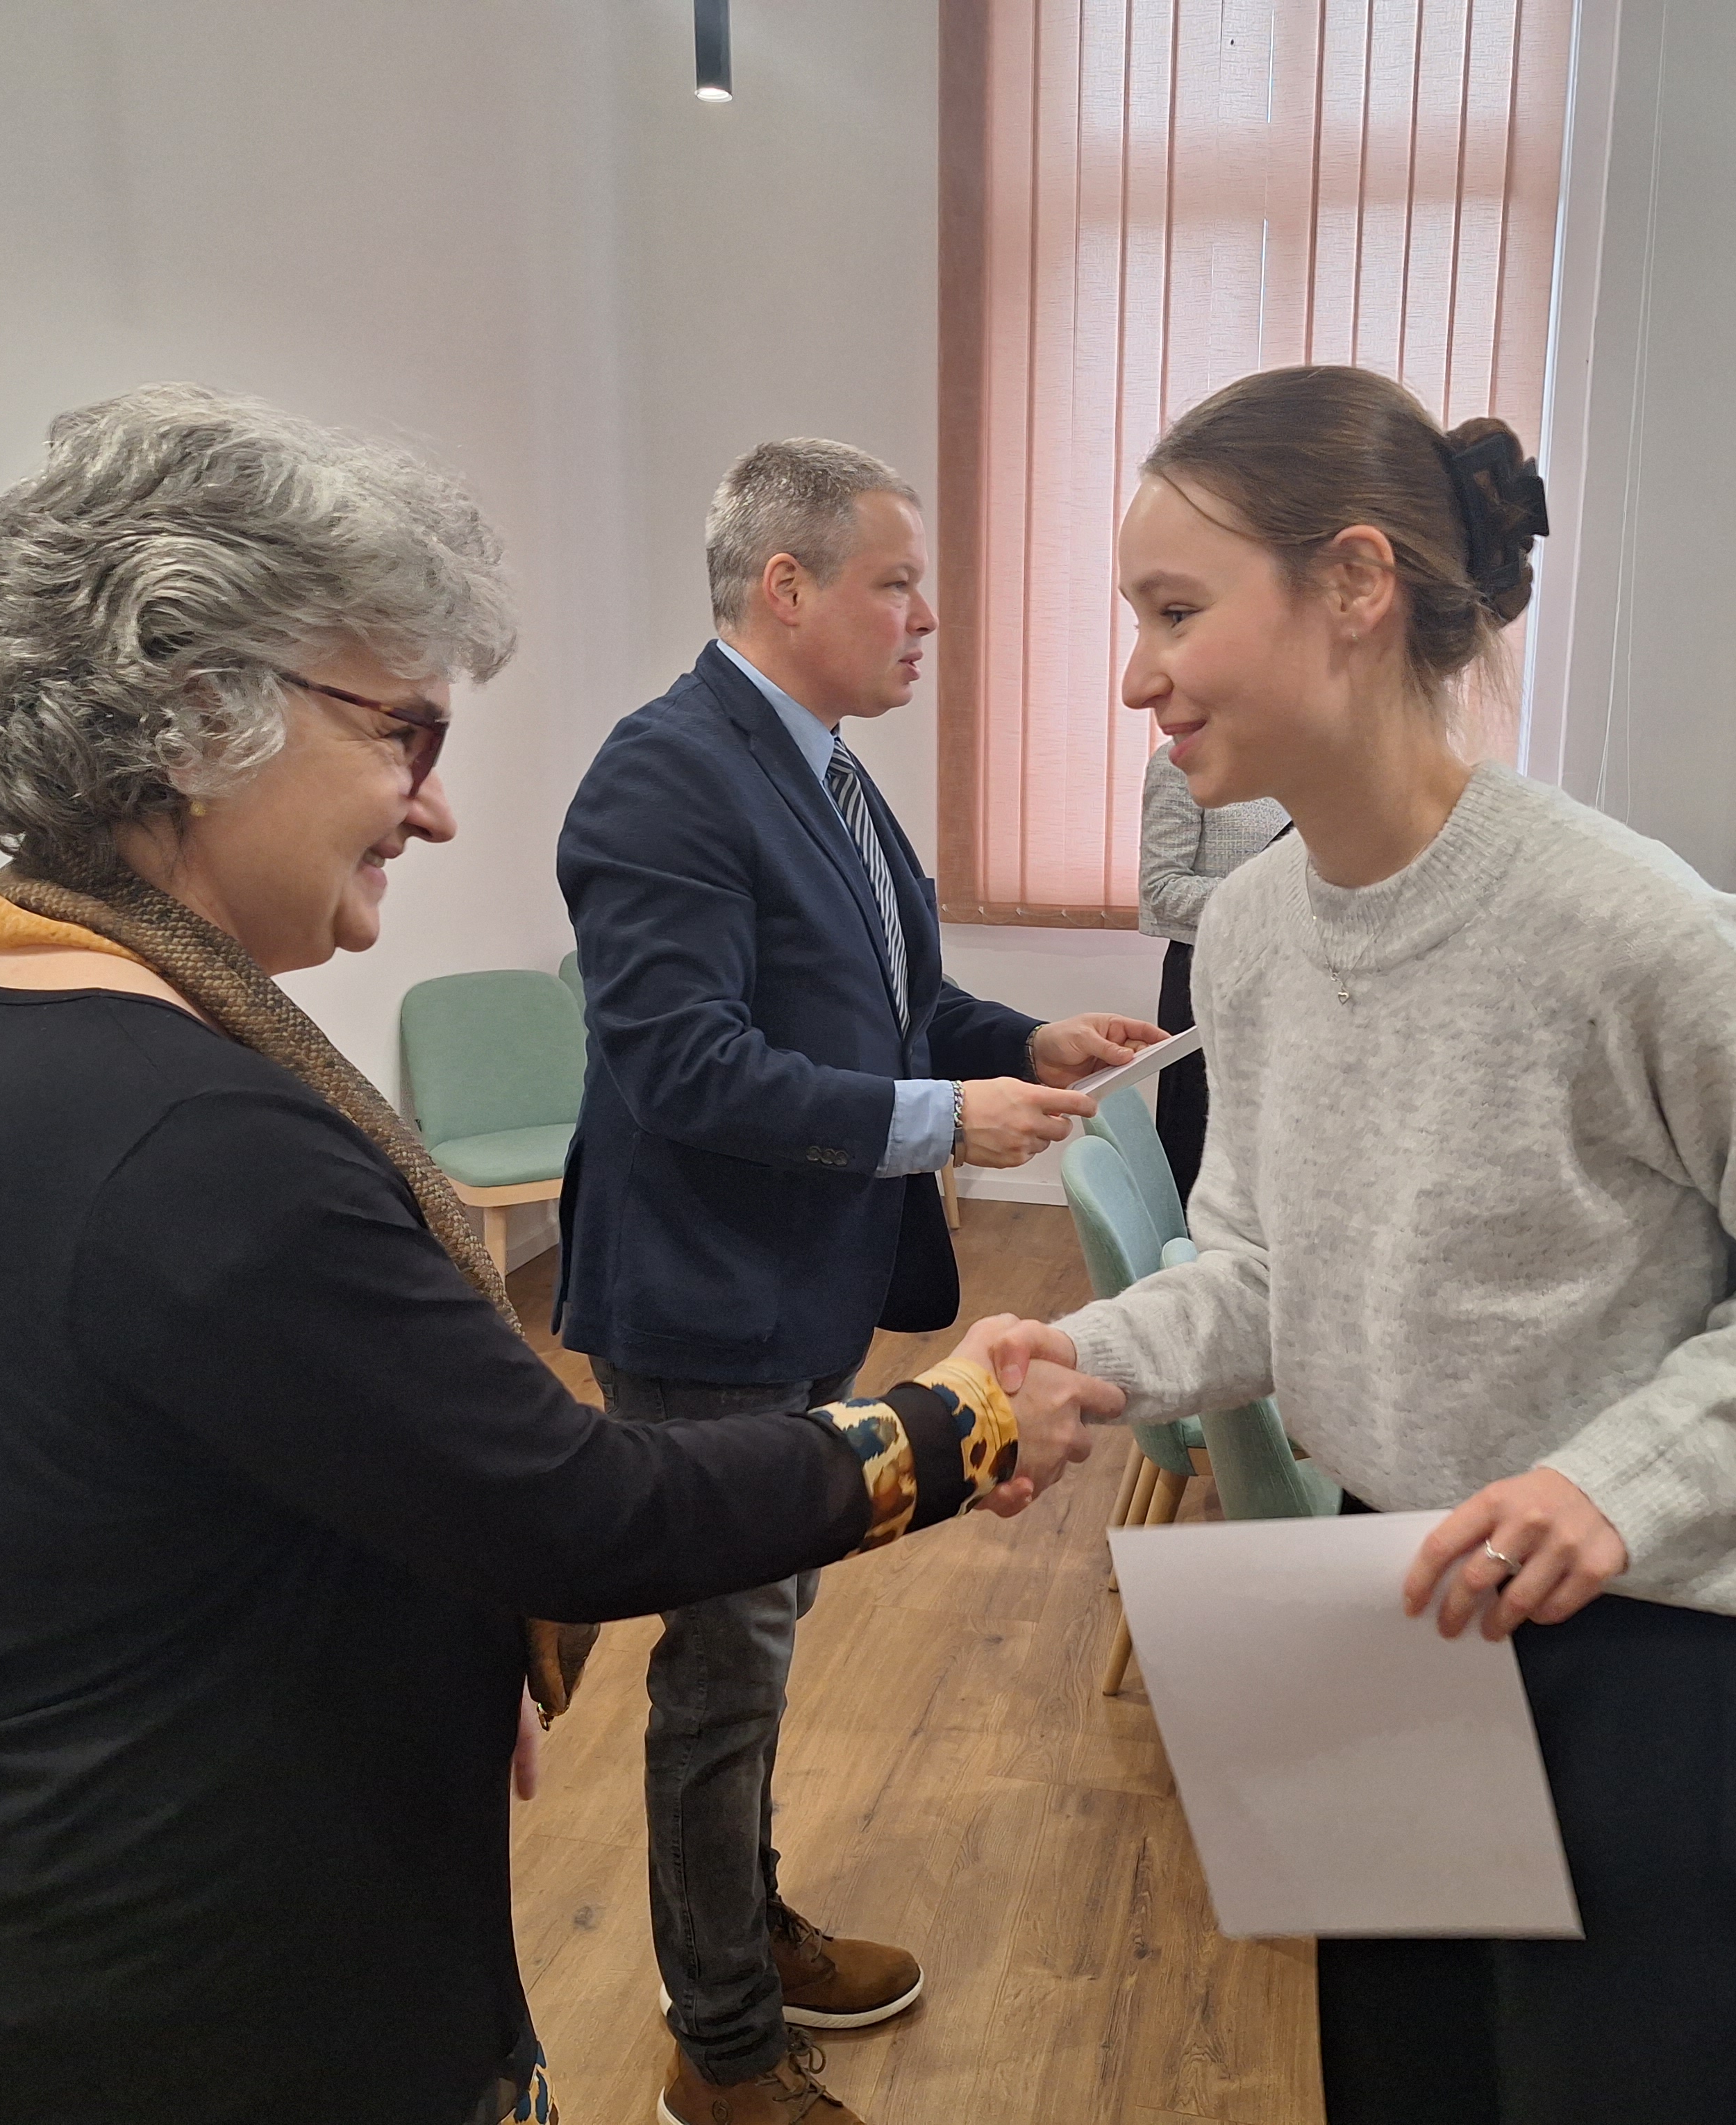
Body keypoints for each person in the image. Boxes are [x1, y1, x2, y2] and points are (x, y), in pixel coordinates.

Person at [0, 386, 1115, 2125]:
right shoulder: (200, 1140)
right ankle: (722, 2029)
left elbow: (164, 1476)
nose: (431, 815)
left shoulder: (14, 997)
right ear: (201, 713)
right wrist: (960, 1424)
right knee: (727, 1674)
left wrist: (430, 1626)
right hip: (157, 2012)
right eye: (402, 734)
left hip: (91, 1937)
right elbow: (577, 1510)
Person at [968, 365, 1736, 2125]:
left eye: (1175, 612)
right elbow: (1263, 1265)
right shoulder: (1254, 931)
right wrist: (1080, 1355)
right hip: (1398, 1615)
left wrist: (1610, 1485)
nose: (1134, 675)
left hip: (1656, 1657)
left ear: (1354, 585)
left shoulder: (1628, 925)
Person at [553, 437, 1162, 2125]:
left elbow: (881, 1003)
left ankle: (737, 1927)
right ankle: (721, 2046)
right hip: (704, 1298)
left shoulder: (818, 767)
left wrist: (1019, 1038)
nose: (926, 621)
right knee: (724, 1665)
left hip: (794, 1284)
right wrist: (944, 1117)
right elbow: (684, 1065)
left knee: (757, 1643)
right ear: (787, 587)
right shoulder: (663, 774)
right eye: (898, 585)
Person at [1138, 739, 1290, 1199]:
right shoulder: (1182, 760)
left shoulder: (1314, 758)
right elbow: (1162, 888)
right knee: (1198, 1142)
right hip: (1211, 975)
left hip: (1302, 975)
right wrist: (1278, 897)